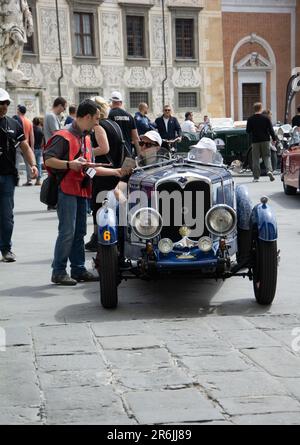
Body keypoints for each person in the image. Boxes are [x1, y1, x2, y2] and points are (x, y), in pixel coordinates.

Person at [44, 99, 129, 286]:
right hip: (66, 190)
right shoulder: (63, 136)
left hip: (82, 191)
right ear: (88, 117)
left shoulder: (87, 138)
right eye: (96, 119)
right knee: (67, 231)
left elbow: (91, 169)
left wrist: (115, 171)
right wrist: (69, 164)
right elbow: (48, 160)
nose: (98, 123)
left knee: (80, 232)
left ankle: (78, 269)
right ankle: (58, 271)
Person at [0, 88, 38, 262]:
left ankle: (6, 249)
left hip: (7, 177)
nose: (3, 106)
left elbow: (25, 146)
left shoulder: (13, 124)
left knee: (7, 217)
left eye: (6, 103)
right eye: (0, 103)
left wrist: (33, 165)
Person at [86, 96, 127, 252]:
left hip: (105, 171)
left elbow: (104, 148)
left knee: (99, 206)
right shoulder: (113, 124)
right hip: (116, 169)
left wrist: (85, 151)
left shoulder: (99, 126)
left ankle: (98, 238)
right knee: (112, 205)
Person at [246, 102, 276, 182]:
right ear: (261, 108)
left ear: (254, 109)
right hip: (265, 140)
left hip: (255, 141)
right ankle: (269, 170)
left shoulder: (250, 119)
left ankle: (256, 177)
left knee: (255, 159)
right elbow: (271, 130)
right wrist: (274, 139)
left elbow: (248, 131)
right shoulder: (266, 118)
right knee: (267, 157)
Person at [108, 91, 140, 157]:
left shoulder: (109, 115)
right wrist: (139, 155)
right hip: (127, 152)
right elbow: (136, 137)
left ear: (111, 102)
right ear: (121, 102)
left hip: (113, 153)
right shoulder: (129, 116)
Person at [15, 104, 35, 186]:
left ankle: (17, 179)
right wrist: (32, 147)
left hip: (19, 144)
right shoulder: (29, 121)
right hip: (27, 144)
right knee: (28, 163)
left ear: (19, 111)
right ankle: (29, 180)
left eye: (17, 109)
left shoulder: (17, 120)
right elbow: (32, 135)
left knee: (16, 163)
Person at [32, 117, 44, 185]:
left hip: (34, 148)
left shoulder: (33, 129)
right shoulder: (40, 130)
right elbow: (43, 140)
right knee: (39, 164)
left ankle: (34, 177)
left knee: (34, 164)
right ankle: (38, 180)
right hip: (39, 148)